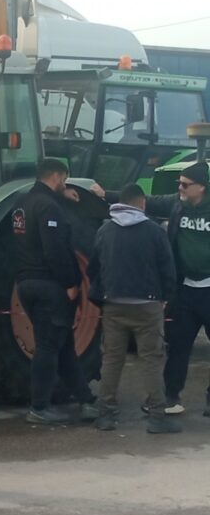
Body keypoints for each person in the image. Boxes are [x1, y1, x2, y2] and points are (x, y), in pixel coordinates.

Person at [93, 161, 210, 415]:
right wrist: (105, 194)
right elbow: (147, 200)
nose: (180, 188)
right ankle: (170, 397)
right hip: (185, 289)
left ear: (201, 187)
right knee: (177, 346)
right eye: (179, 183)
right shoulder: (177, 204)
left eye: (185, 184)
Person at [87, 183, 180, 434]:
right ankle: (157, 417)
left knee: (112, 359)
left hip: (114, 305)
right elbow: (168, 269)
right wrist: (165, 299)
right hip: (148, 306)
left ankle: (106, 415)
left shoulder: (105, 230)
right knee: (151, 360)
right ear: (142, 203)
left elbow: (93, 268)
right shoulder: (155, 231)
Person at [12, 157, 98, 425]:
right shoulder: (48, 207)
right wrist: (70, 283)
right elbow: (55, 250)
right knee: (48, 347)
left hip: (25, 284)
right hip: (50, 286)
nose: (65, 184)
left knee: (63, 345)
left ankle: (86, 400)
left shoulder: (22, 204)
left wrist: (63, 197)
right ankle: (39, 407)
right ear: (58, 176)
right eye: (65, 179)